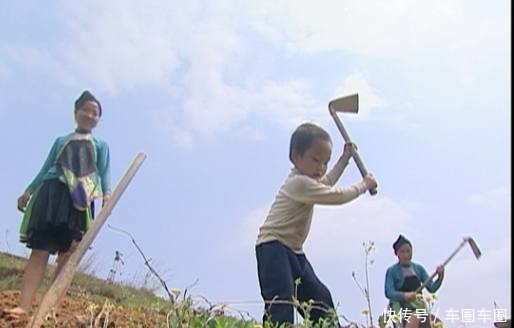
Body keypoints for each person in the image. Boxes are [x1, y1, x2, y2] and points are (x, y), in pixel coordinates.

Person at [255, 122, 377, 327]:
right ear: (295, 157)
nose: (321, 168)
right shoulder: (298, 183)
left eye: (325, 162)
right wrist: (363, 185)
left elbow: (326, 183)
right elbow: (335, 196)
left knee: (320, 300)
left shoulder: (308, 183)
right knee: (281, 303)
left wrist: (344, 159)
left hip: (294, 252)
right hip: (273, 248)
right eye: (315, 160)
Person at [6, 90, 111, 317]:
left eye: (95, 113)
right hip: (52, 195)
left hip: (80, 201)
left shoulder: (100, 145)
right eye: (86, 110)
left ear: (99, 119)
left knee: (67, 256)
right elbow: (46, 168)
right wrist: (28, 191)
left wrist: (107, 195)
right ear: (76, 113)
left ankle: (49, 309)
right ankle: (24, 305)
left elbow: (103, 173)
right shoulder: (61, 141)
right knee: (39, 251)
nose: (90, 116)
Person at [384, 235, 445, 328]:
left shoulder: (418, 269)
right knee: (416, 315)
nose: (405, 255)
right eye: (402, 251)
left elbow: (432, 288)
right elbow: (389, 292)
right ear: (397, 254)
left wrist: (440, 276)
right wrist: (404, 296)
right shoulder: (392, 271)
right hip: (400, 307)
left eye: (408, 251)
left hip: (419, 305)